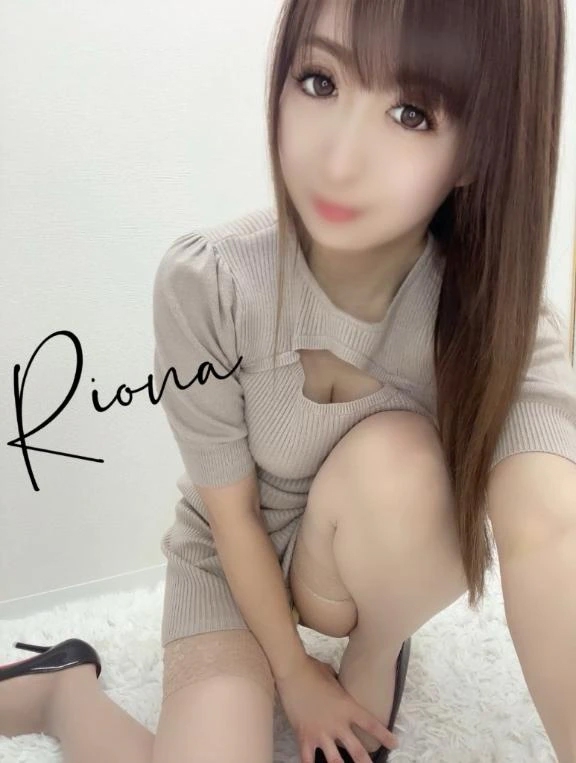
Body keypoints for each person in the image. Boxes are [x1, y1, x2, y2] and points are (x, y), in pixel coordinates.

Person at [2, 0, 576, 762]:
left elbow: (549, 527)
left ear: (479, 151)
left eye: (411, 114)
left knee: (409, 457)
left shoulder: (499, 325)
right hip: (231, 556)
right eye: (319, 80)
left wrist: (360, 650)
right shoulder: (211, 282)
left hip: (358, 554)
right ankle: (62, 689)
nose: (339, 160)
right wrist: (296, 673)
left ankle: (378, 644)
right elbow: (232, 515)